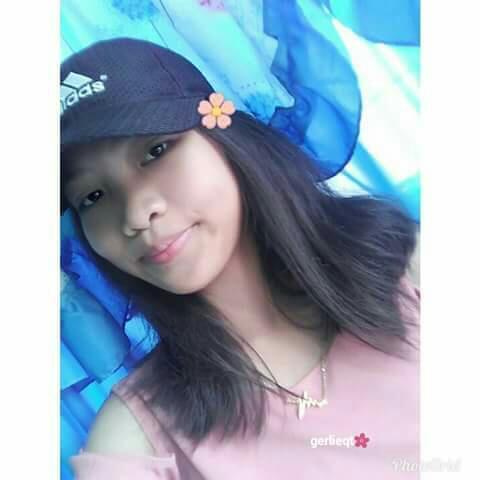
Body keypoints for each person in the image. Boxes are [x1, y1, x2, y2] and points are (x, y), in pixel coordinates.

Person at [61, 37, 420, 479]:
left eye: (156, 151)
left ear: (223, 134)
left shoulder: (404, 266)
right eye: (92, 196)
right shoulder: (134, 439)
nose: (135, 214)